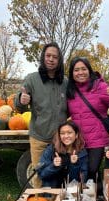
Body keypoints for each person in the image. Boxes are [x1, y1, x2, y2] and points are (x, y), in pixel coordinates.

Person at [15, 42, 68, 187]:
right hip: (39, 138)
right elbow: (18, 106)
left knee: (60, 173)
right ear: (43, 58)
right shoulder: (32, 79)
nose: (51, 59)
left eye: (55, 57)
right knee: (39, 175)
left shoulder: (65, 82)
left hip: (60, 140)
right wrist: (21, 99)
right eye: (48, 55)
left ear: (59, 61)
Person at [66, 56, 109, 184]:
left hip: (97, 139)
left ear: (89, 70)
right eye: (76, 70)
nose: (80, 72)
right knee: (80, 170)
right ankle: (83, 198)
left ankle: (93, 198)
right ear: (72, 73)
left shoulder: (100, 86)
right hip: (78, 139)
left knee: (92, 170)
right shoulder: (70, 91)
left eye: (83, 69)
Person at [37, 120, 88, 188]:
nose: (66, 136)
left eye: (69, 133)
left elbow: (82, 179)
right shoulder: (51, 150)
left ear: (76, 135)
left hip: (72, 193)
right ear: (59, 136)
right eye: (62, 133)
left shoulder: (81, 153)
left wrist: (74, 164)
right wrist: (54, 166)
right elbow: (41, 175)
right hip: (52, 191)